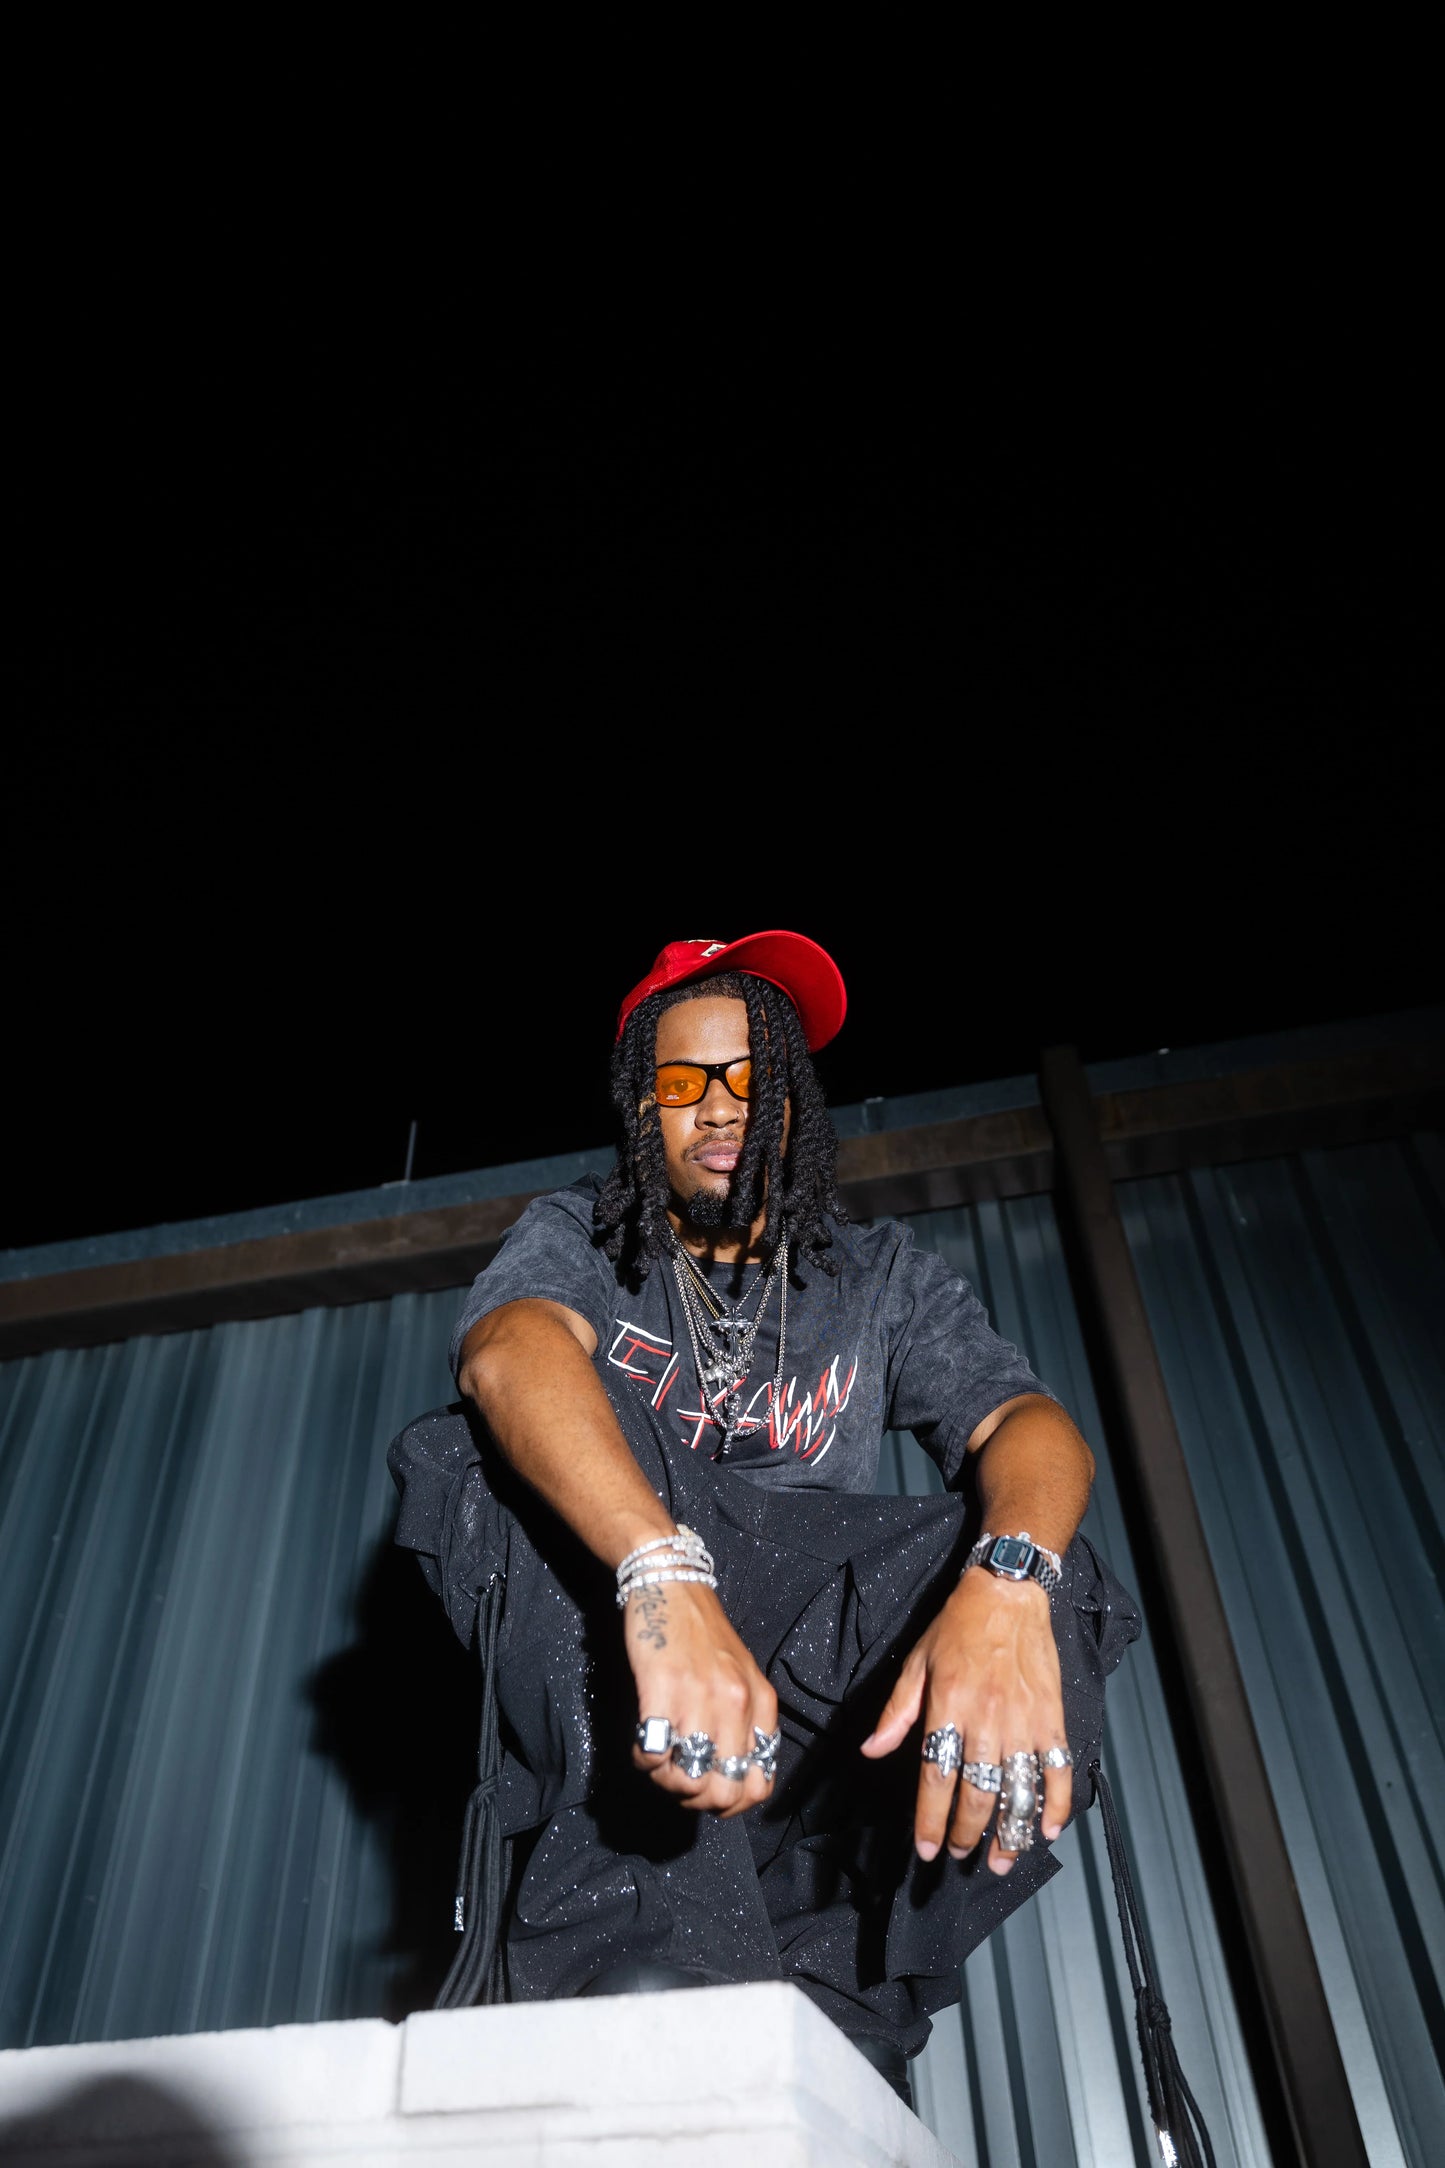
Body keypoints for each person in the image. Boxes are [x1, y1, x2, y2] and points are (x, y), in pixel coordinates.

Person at [387, 931, 1140, 2105]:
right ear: (643, 1106)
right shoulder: (586, 1237)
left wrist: (1003, 1584)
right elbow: (508, 1348)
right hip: (630, 1661)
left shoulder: (874, 1272)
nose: (721, 1107)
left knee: (1058, 1569)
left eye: (750, 1074)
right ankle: (635, 1949)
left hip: (818, 1679)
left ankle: (846, 2004)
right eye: (684, 1081)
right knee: (479, 1459)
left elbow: (1027, 1426)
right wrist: (657, 1568)